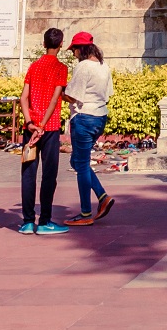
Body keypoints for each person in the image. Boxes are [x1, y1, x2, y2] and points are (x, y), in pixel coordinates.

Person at [18, 27, 70, 235]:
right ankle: (45, 220)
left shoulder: (34, 66)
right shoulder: (61, 68)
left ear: (43, 43)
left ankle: (28, 222)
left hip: (29, 128)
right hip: (49, 129)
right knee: (49, 174)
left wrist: (31, 123)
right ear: (61, 45)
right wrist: (42, 126)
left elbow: (23, 98)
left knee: (28, 174)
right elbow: (54, 99)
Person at [63, 34, 116, 226]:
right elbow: (108, 94)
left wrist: (58, 92)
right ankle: (102, 197)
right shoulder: (103, 66)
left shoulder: (83, 66)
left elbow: (72, 96)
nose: (74, 54)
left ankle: (86, 213)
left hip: (84, 117)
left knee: (82, 164)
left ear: (80, 49)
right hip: (100, 116)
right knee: (77, 161)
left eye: (74, 50)